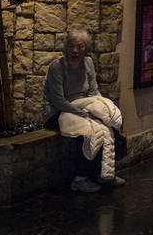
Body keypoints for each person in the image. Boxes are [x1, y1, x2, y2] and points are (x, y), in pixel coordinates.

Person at [43, 29, 127, 193]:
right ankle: (80, 179)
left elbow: (93, 92)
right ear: (65, 48)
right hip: (60, 111)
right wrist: (83, 114)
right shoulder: (57, 68)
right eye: (71, 46)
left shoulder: (88, 63)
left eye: (79, 47)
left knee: (107, 127)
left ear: (86, 48)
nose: (75, 51)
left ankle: (105, 174)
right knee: (89, 132)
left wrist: (99, 111)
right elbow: (58, 100)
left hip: (84, 106)